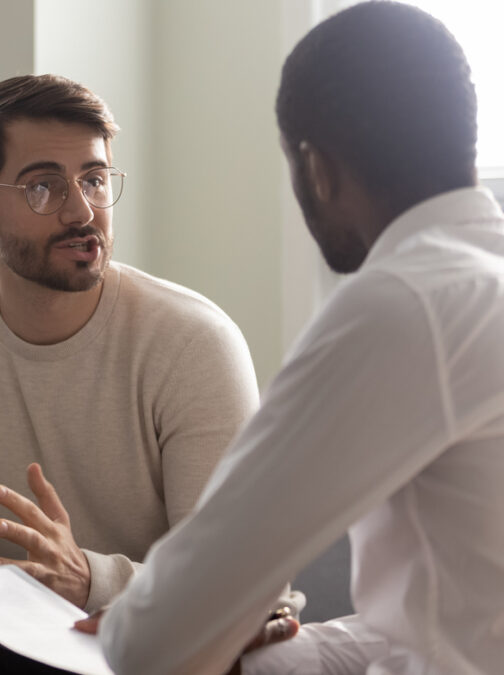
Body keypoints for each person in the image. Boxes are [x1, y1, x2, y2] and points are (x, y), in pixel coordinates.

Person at [85, 3, 504, 673]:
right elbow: (456, 620)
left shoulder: (403, 302)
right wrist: (282, 653)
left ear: (317, 168)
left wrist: (152, 617)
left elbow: (153, 641)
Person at [0, 74, 267, 674]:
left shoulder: (194, 340)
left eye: (93, 179)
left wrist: (91, 578)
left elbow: (232, 574)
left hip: (169, 640)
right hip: (23, 637)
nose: (81, 210)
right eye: (43, 186)